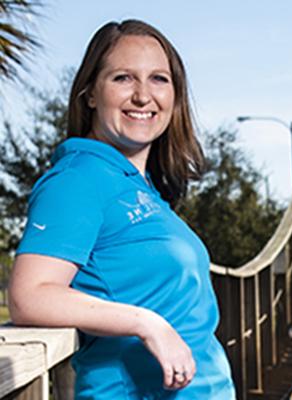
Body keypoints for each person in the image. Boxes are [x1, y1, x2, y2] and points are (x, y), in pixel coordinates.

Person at [8, 19, 236, 399]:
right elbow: (29, 295)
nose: (143, 96)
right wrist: (148, 324)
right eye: (123, 79)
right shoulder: (77, 177)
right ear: (91, 94)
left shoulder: (141, 189)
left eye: (159, 79)